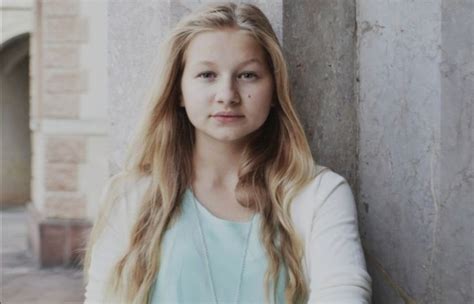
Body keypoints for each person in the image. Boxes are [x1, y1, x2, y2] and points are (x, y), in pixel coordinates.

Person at [83, 2, 372, 304]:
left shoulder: (318, 195)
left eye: (247, 75)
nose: (227, 96)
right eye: (207, 75)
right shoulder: (131, 195)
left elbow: (344, 295)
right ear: (178, 90)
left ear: (274, 89)